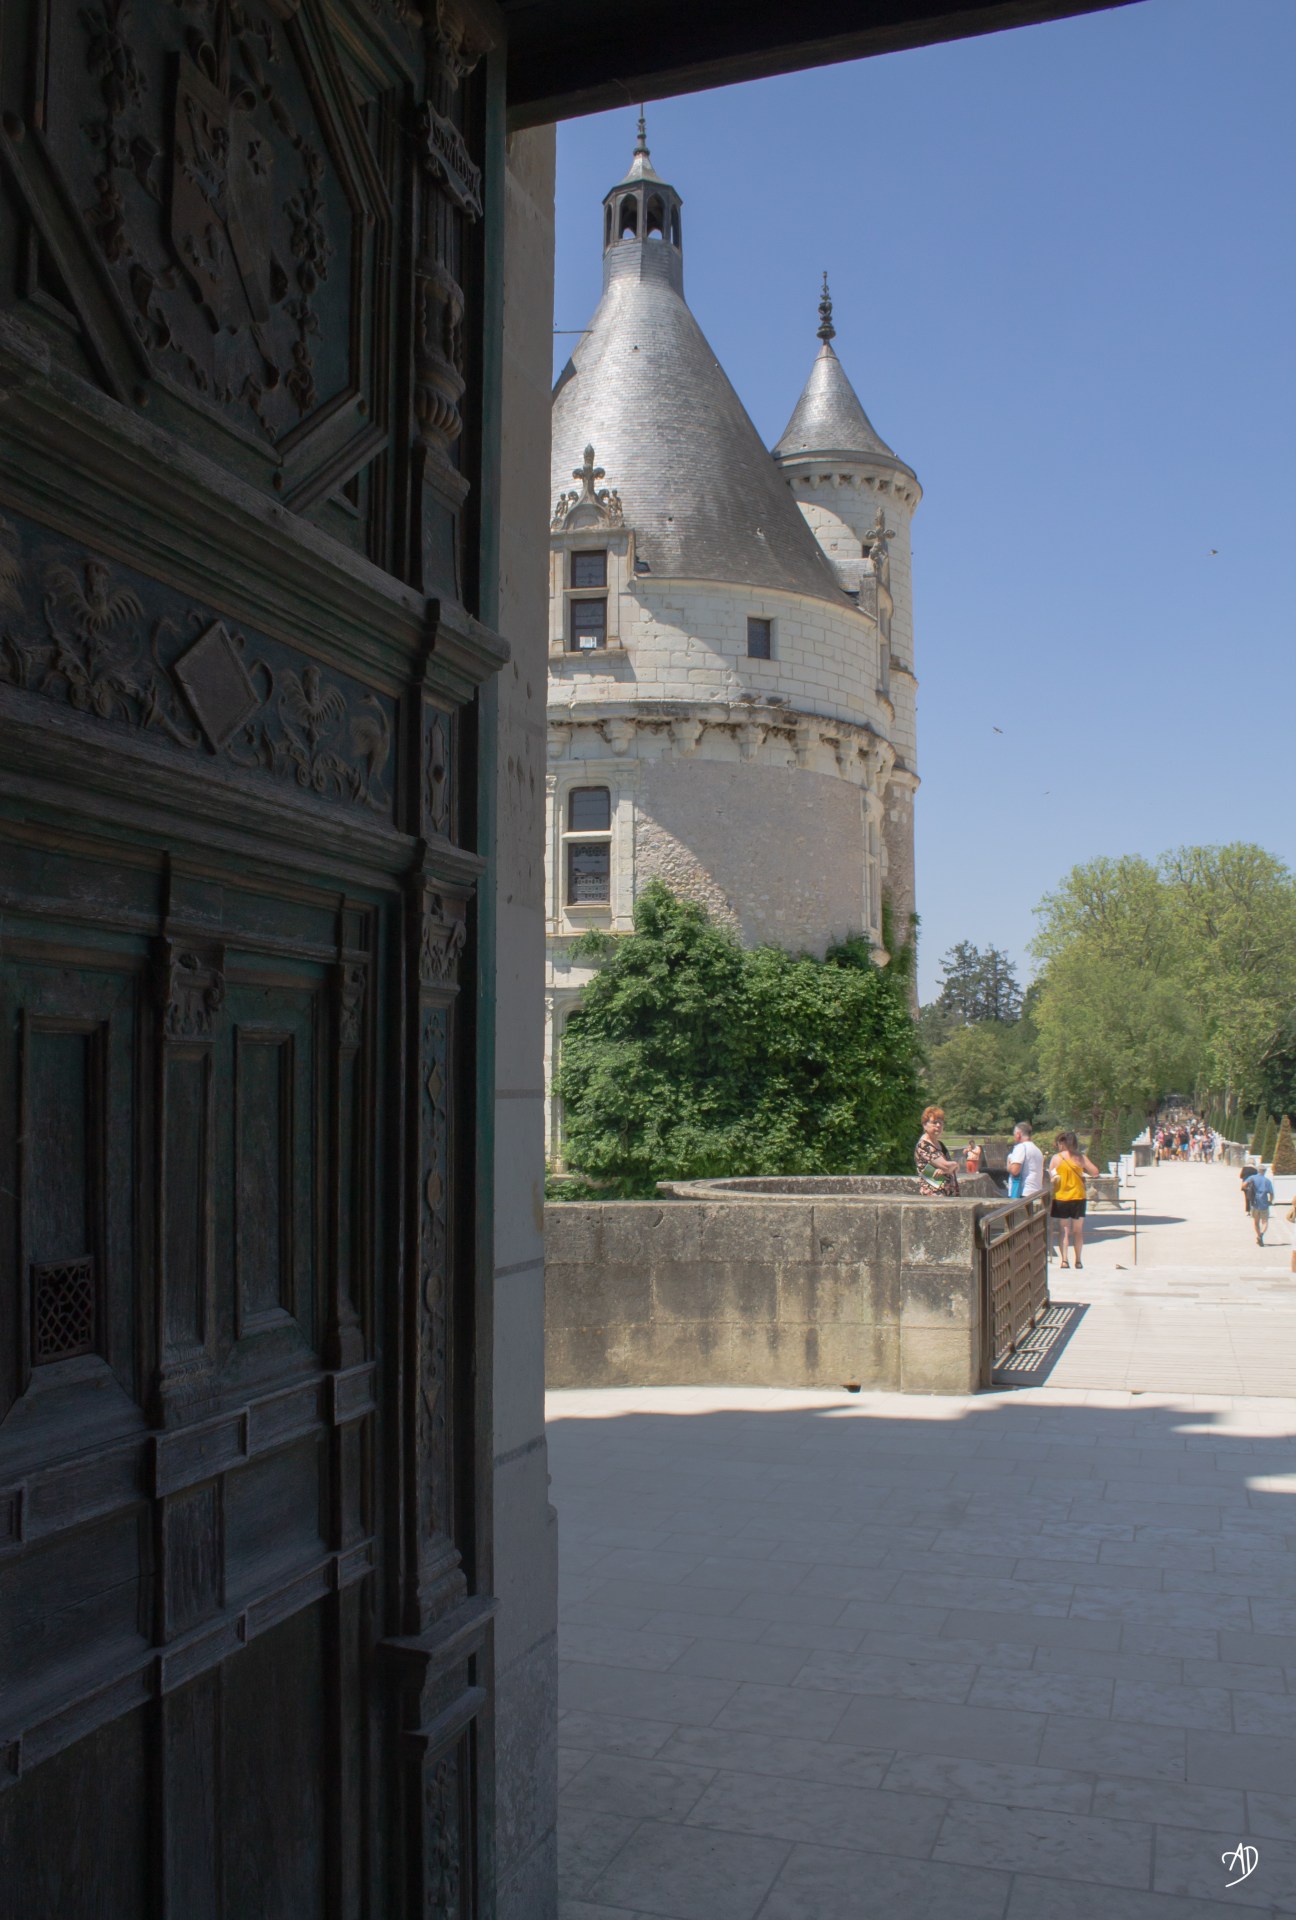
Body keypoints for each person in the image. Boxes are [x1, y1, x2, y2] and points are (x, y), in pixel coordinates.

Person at [1049, 1130, 1098, 1269]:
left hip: (1061, 1198)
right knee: (1078, 1231)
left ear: (1062, 1143)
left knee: (1064, 1230)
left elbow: (1051, 1177)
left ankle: (1064, 1260)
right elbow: (1095, 1172)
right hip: (1078, 1197)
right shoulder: (1080, 1158)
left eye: (1059, 1143)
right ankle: (1078, 1260)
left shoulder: (1056, 1158)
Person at [915, 1106, 960, 1196]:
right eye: (934, 1122)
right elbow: (947, 1166)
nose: (938, 1125)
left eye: (941, 1123)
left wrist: (950, 1168)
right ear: (924, 1125)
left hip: (947, 1192)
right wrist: (955, 1164)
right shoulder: (924, 1145)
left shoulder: (940, 1144)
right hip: (934, 1194)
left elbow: (955, 1170)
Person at [1006, 1122, 1045, 1199]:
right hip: (1036, 1191)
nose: (1014, 1137)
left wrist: (1008, 1164)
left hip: (1023, 1193)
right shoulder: (1037, 1150)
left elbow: (1015, 1171)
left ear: (1018, 1134)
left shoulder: (1021, 1147)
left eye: (1014, 1134)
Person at [1246, 1164, 1274, 1245]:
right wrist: (1270, 1201)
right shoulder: (1267, 1181)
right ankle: (1261, 1234)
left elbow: (1244, 1185)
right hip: (1264, 1202)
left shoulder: (1252, 1178)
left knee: (1256, 1222)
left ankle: (1258, 1235)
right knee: (1265, 1221)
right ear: (1264, 1172)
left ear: (1258, 1170)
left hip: (1254, 1202)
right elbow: (1271, 1193)